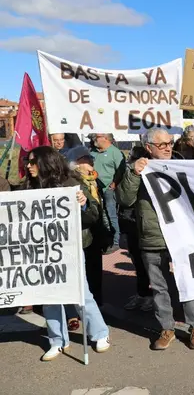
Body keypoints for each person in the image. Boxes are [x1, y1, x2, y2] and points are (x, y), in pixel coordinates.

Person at [116, 129, 194, 351]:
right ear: (149, 148)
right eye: (162, 144)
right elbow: (125, 200)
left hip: (182, 238)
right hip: (153, 238)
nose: (167, 147)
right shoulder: (137, 169)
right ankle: (167, 328)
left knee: (189, 284)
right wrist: (134, 174)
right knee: (159, 288)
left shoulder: (184, 164)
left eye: (170, 142)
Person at [22, 146, 111, 361]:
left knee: (81, 293)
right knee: (49, 296)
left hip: (70, 248)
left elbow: (93, 216)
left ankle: (100, 333)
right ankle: (57, 340)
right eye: (28, 162)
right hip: (42, 250)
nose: (28, 166)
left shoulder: (72, 183)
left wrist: (83, 204)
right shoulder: (30, 186)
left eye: (32, 162)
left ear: (46, 163)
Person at [66, 145, 114, 306]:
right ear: (76, 163)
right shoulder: (72, 182)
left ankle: (96, 305)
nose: (91, 162)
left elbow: (102, 207)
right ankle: (88, 308)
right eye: (87, 159)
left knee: (95, 273)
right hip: (84, 235)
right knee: (86, 274)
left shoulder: (93, 181)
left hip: (95, 234)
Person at [118, 145, 153, 313]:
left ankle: (148, 295)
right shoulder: (129, 172)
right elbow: (124, 197)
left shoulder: (145, 175)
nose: (129, 160)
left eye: (132, 156)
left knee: (147, 262)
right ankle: (142, 292)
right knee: (138, 261)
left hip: (141, 222)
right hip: (130, 222)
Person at [89, 133, 124, 254]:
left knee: (111, 214)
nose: (94, 139)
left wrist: (114, 183)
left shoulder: (115, 152)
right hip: (95, 189)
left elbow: (121, 169)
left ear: (105, 138)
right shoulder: (93, 152)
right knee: (100, 214)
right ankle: (105, 239)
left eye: (97, 137)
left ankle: (115, 242)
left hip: (109, 189)